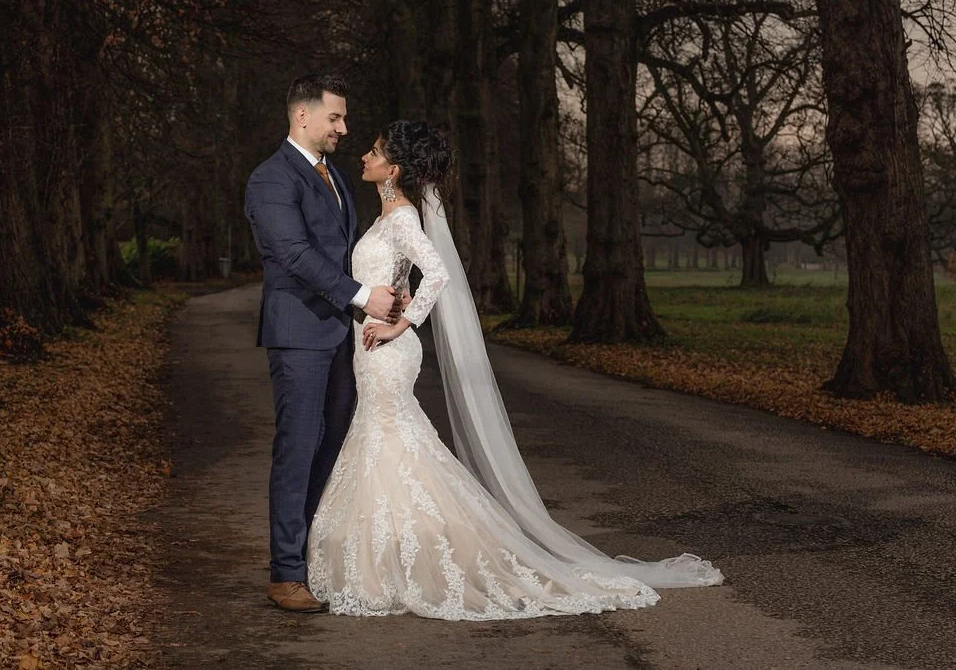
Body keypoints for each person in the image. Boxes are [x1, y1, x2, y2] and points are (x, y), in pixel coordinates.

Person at [305, 120, 723, 620]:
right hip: (373, 345)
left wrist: (402, 325)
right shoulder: (389, 216)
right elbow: (401, 277)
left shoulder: (401, 218)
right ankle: (394, 556)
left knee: (391, 442)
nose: (364, 158)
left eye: (374, 152)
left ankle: (410, 559)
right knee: (390, 441)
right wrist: (402, 297)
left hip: (386, 352)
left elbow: (437, 273)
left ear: (393, 169)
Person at [244, 74, 404, 613]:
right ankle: (285, 573)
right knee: (297, 449)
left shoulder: (333, 174)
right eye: (335, 117)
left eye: (343, 117)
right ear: (302, 117)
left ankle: (311, 559)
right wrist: (362, 296)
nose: (344, 127)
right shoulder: (270, 179)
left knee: (331, 447)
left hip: (340, 334)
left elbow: (343, 250)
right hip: (299, 335)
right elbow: (293, 254)